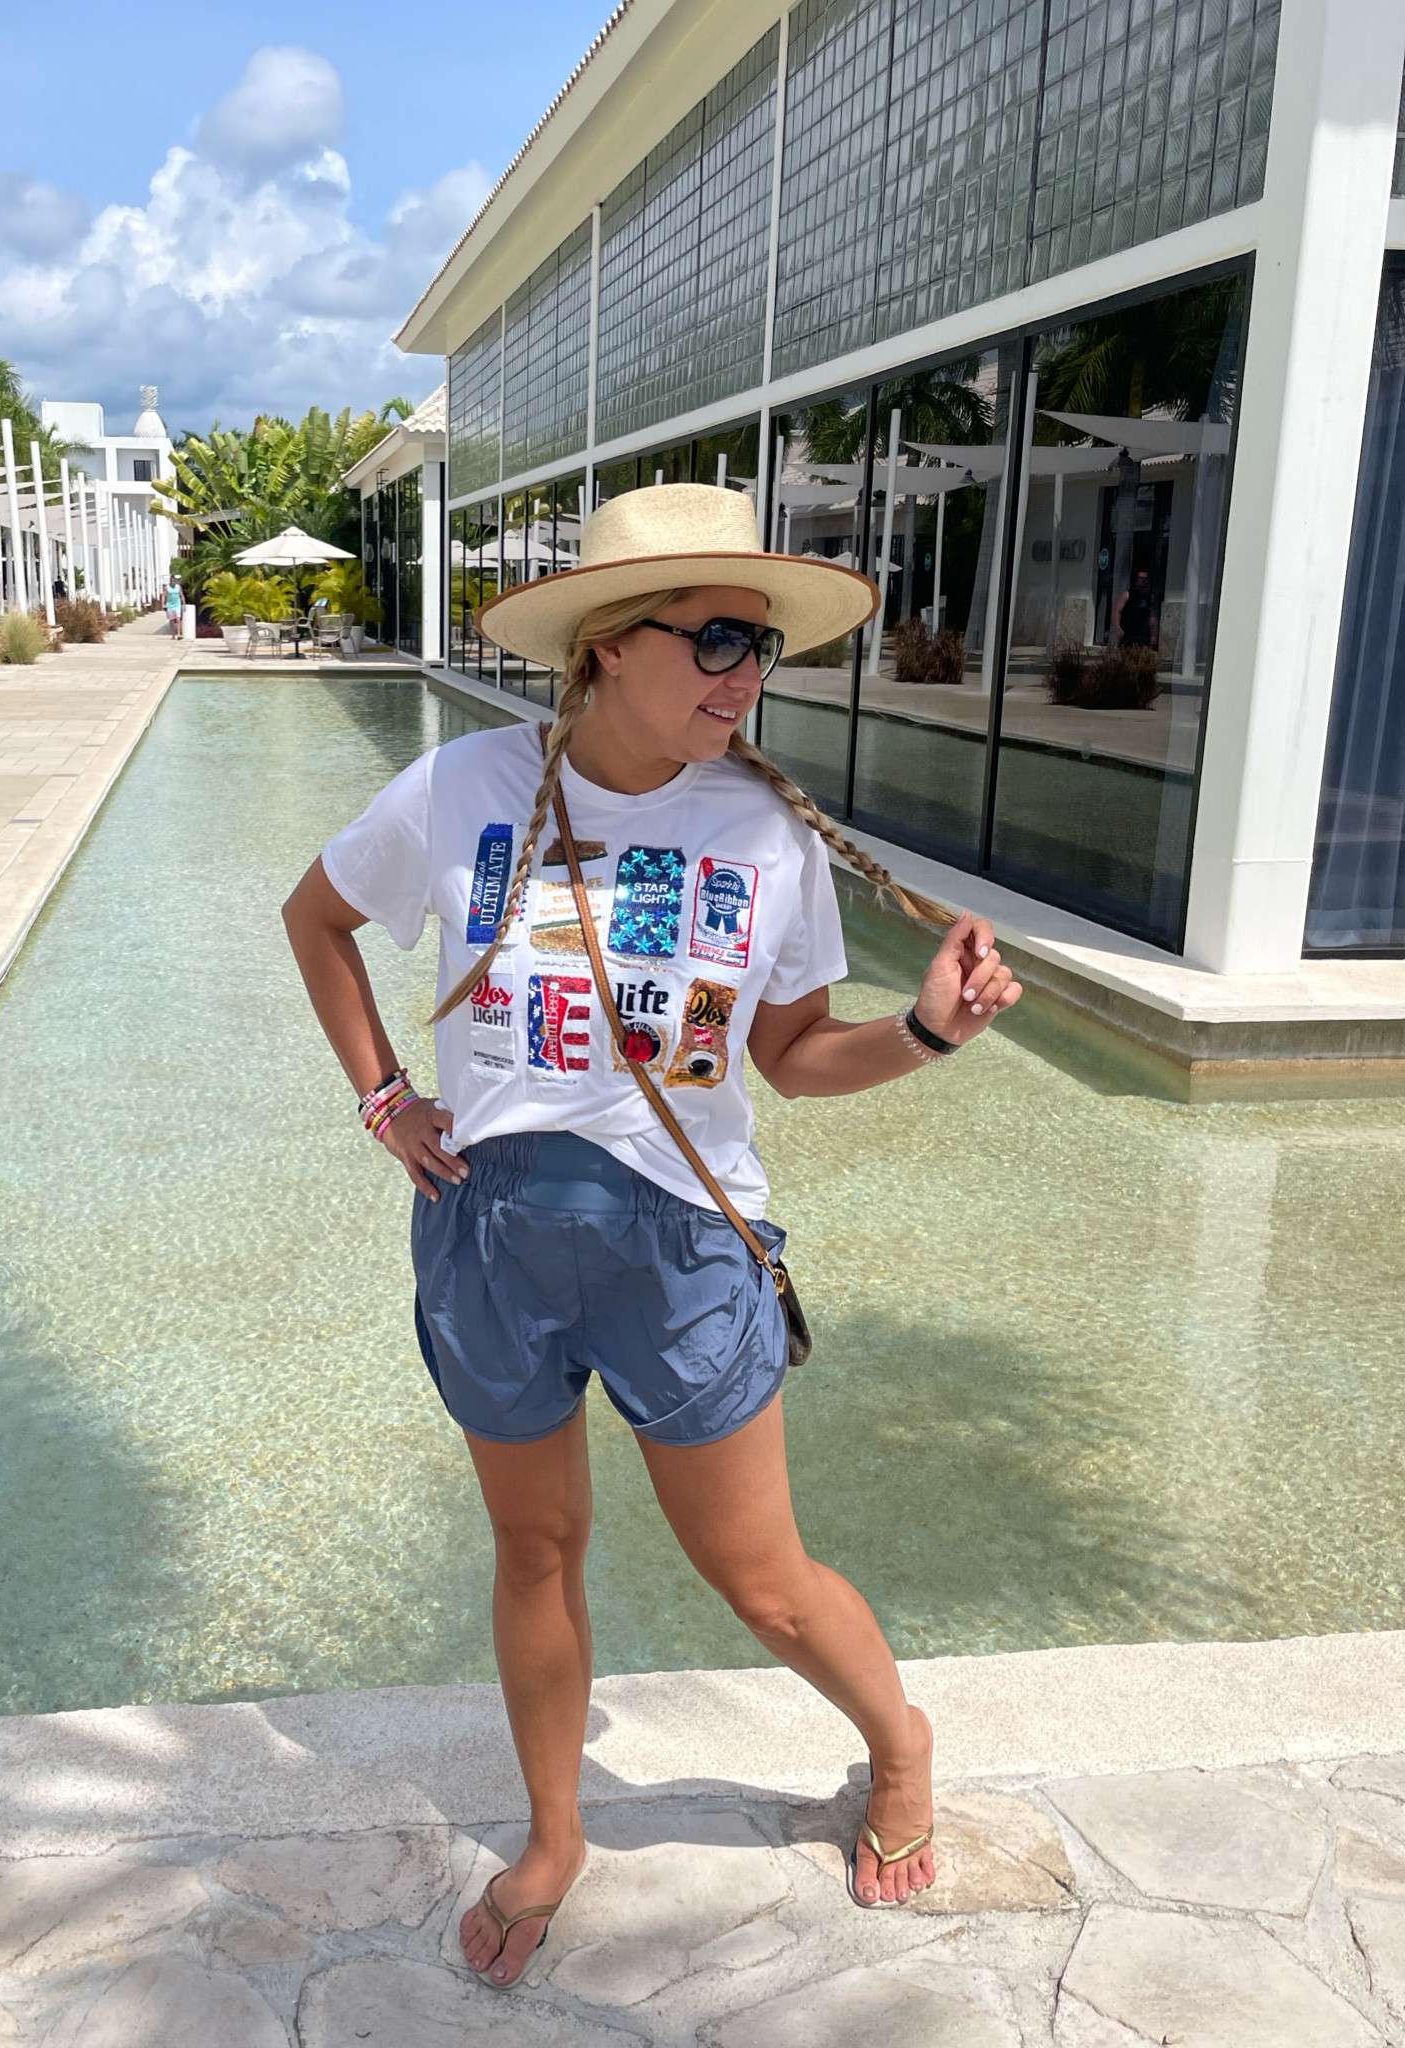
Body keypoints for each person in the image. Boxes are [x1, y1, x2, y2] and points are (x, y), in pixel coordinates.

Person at [282, 485, 1021, 1989]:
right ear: (612, 644)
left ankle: (899, 1743)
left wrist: (929, 1035)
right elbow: (316, 918)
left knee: (759, 1578)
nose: (746, 677)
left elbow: (795, 1059)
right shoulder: (461, 790)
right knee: (536, 1545)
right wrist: (384, 1101)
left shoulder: (762, 834)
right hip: (490, 1231)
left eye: (762, 650)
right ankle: (557, 1836)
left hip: (685, 1244)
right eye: (720, 640)